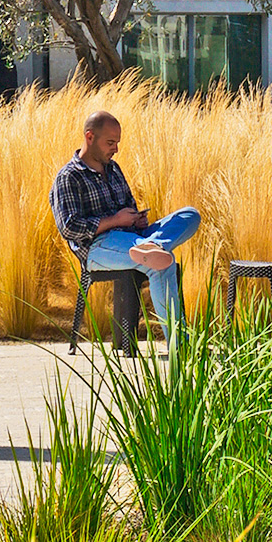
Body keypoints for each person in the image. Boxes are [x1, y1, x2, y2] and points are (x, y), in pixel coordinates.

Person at [50, 109, 201, 356]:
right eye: (110, 143)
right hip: (99, 248)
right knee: (163, 264)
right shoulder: (68, 177)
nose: (116, 149)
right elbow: (69, 227)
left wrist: (137, 219)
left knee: (189, 215)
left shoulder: (114, 169)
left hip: (135, 238)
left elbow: (128, 203)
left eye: (117, 143)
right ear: (90, 137)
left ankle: (154, 245)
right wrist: (114, 221)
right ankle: (181, 344)